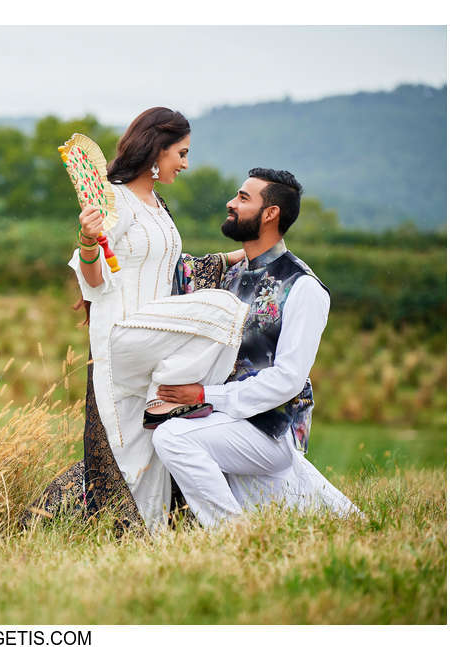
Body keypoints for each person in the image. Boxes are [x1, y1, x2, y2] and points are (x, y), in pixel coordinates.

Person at [24, 107, 248, 533]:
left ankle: (143, 539)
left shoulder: (158, 206)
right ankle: (173, 392)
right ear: (156, 150)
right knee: (223, 310)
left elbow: (173, 268)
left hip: (156, 334)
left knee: (144, 453)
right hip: (124, 332)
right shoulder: (117, 199)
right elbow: (93, 274)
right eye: (181, 153)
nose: (185, 163)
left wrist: (241, 256)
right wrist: (89, 241)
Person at [129, 168, 358, 527]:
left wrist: (204, 394)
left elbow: (288, 380)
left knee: (173, 437)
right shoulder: (233, 275)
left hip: (271, 430)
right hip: (223, 420)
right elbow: (169, 275)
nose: (230, 203)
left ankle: (233, 535)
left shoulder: (304, 288)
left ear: (270, 214)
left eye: (243, 198)